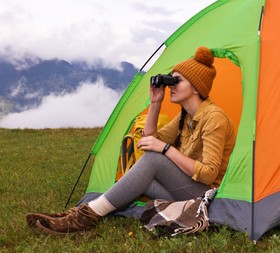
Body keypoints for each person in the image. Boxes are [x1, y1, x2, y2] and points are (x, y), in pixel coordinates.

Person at [26, 46, 236, 235]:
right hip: (184, 188)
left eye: (177, 80)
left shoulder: (214, 117)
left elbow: (208, 173)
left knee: (154, 159)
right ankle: (75, 213)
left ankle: (85, 218)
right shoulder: (185, 116)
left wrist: (165, 150)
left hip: (203, 195)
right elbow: (150, 140)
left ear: (197, 87)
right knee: (140, 176)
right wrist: (155, 103)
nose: (170, 84)